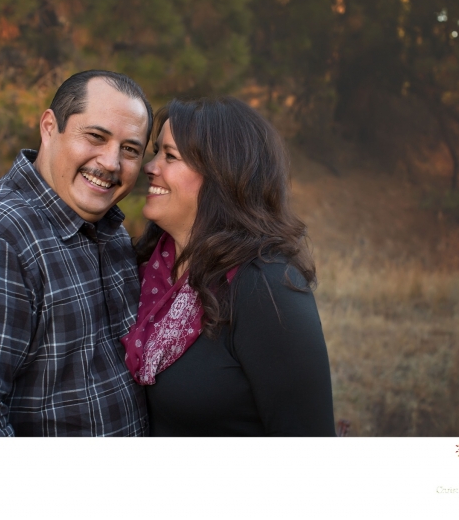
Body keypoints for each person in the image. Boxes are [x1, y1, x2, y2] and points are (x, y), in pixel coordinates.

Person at [0, 70, 152, 436]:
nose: (111, 162)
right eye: (95, 137)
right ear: (48, 127)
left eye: (130, 149)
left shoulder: (112, 234)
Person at [121, 97, 336, 436]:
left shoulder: (266, 287)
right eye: (156, 151)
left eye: (170, 156)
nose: (150, 166)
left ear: (222, 176)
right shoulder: (148, 268)